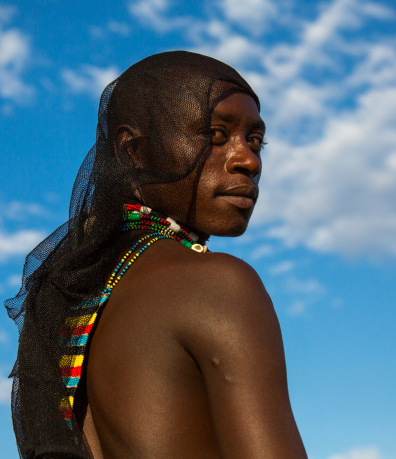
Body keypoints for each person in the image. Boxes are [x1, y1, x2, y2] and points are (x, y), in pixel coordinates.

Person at [5, 51, 308, 458]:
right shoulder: (219, 286)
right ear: (133, 151)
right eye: (216, 135)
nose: (248, 160)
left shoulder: (74, 299)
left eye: (255, 140)